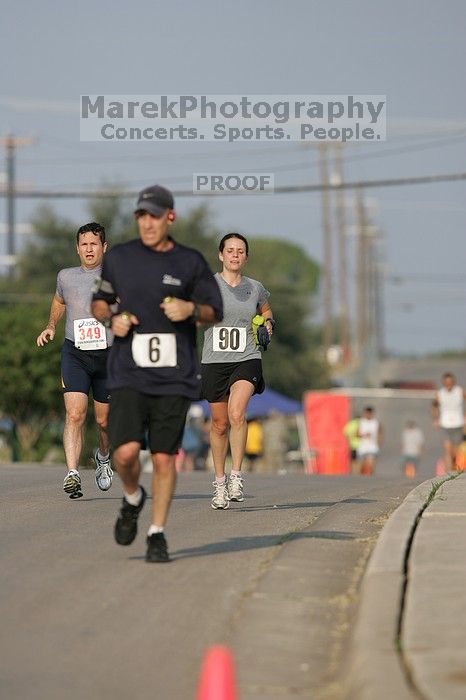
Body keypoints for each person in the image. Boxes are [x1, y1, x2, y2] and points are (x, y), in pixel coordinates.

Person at [91, 184, 223, 563]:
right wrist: (112, 318)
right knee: (126, 454)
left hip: (174, 376)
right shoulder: (120, 258)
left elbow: (214, 310)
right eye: (141, 216)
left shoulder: (190, 262)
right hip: (128, 372)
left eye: (153, 215)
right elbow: (99, 302)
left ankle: (157, 533)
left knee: (164, 458)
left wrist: (190, 310)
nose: (146, 223)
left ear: (170, 216)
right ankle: (133, 496)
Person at [36, 222, 113, 499]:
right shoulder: (65, 276)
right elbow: (59, 302)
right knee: (75, 413)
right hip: (75, 353)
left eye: (94, 244)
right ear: (77, 248)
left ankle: (103, 457)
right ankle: (72, 473)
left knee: (104, 422)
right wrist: (51, 326)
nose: (88, 249)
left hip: (108, 356)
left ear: (104, 247)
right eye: (84, 244)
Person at [201, 232, 274, 509]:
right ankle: (219, 483)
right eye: (229, 250)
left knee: (236, 413)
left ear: (246, 257)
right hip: (214, 360)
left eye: (240, 251)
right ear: (221, 255)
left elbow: (266, 311)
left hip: (247, 357)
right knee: (219, 424)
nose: (235, 255)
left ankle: (236, 477)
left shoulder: (255, 288)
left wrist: (268, 324)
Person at [431, 372, 466, 471]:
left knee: (455, 451)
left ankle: (454, 467)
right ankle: (449, 473)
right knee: (447, 450)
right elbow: (434, 406)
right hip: (445, 424)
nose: (448, 384)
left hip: (458, 424)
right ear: (443, 383)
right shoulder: (440, 393)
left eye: (450, 382)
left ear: (453, 382)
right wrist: (435, 419)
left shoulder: (459, 391)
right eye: (446, 382)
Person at [357, 406, 383, 475]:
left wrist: (379, 443)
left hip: (372, 447)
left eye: (369, 413)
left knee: (371, 464)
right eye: (366, 413)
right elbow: (357, 434)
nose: (368, 415)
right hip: (363, 447)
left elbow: (380, 433)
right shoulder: (361, 422)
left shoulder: (376, 422)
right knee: (361, 466)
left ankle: (370, 478)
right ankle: (361, 478)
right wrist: (364, 435)